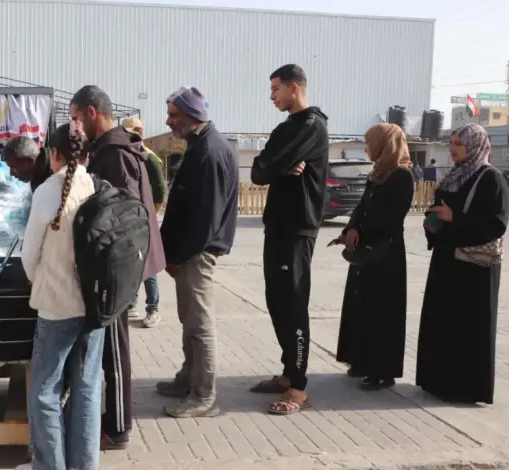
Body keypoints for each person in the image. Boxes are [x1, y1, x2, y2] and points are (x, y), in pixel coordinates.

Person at [69, 85, 165, 450]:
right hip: (119, 266)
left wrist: (112, 272)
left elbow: (123, 219)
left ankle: (119, 426)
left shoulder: (114, 153)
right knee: (111, 346)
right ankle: (112, 420)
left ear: (92, 113)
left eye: (76, 118)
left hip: (118, 269)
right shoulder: (115, 147)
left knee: (115, 347)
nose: (75, 126)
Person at [17, 123, 104, 470]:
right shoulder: (95, 187)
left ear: (53, 154)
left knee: (45, 391)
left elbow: (28, 257)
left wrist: (39, 280)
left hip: (56, 307)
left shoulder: (47, 192)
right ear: (86, 155)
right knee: (87, 388)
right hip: (94, 308)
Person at [249, 64, 329, 415]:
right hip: (277, 226)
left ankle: (298, 388)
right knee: (276, 301)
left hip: (298, 228)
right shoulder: (285, 128)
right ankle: (288, 372)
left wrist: (276, 166)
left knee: (293, 304)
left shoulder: (312, 125)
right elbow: (259, 171)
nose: (272, 96)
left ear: (294, 88)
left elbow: (270, 164)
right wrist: (280, 167)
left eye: (276, 89)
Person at [155, 86, 239, 418]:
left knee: (200, 323)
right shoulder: (201, 145)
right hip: (189, 251)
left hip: (197, 252)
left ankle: (203, 394)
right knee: (189, 319)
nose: (168, 121)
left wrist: (177, 255)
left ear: (192, 115)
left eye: (174, 115)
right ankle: (188, 378)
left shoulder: (210, 152)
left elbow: (205, 219)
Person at [417, 123, 509, 404]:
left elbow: (496, 224)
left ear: (475, 145)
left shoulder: (491, 179)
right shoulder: (453, 176)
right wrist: (432, 225)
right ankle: (439, 382)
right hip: (447, 261)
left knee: (467, 327)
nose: (453, 148)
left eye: (459, 143)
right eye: (451, 142)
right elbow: (441, 213)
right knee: (443, 322)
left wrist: (454, 218)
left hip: (473, 269)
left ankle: (465, 388)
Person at [333, 123, 414, 390]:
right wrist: (351, 228)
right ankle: (361, 361)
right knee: (362, 307)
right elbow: (361, 207)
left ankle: (382, 371)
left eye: (370, 143)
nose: (367, 149)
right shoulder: (377, 174)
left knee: (383, 312)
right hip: (366, 250)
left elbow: (391, 216)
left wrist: (361, 231)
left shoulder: (401, 175)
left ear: (384, 143)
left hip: (386, 253)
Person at [120, 117, 167, 327]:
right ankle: (131, 303)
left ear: (140, 132)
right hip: (130, 219)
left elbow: (160, 191)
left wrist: (151, 214)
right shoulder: (126, 155)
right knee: (133, 261)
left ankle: (153, 308)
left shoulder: (150, 158)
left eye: (130, 132)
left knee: (149, 264)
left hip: (146, 219)